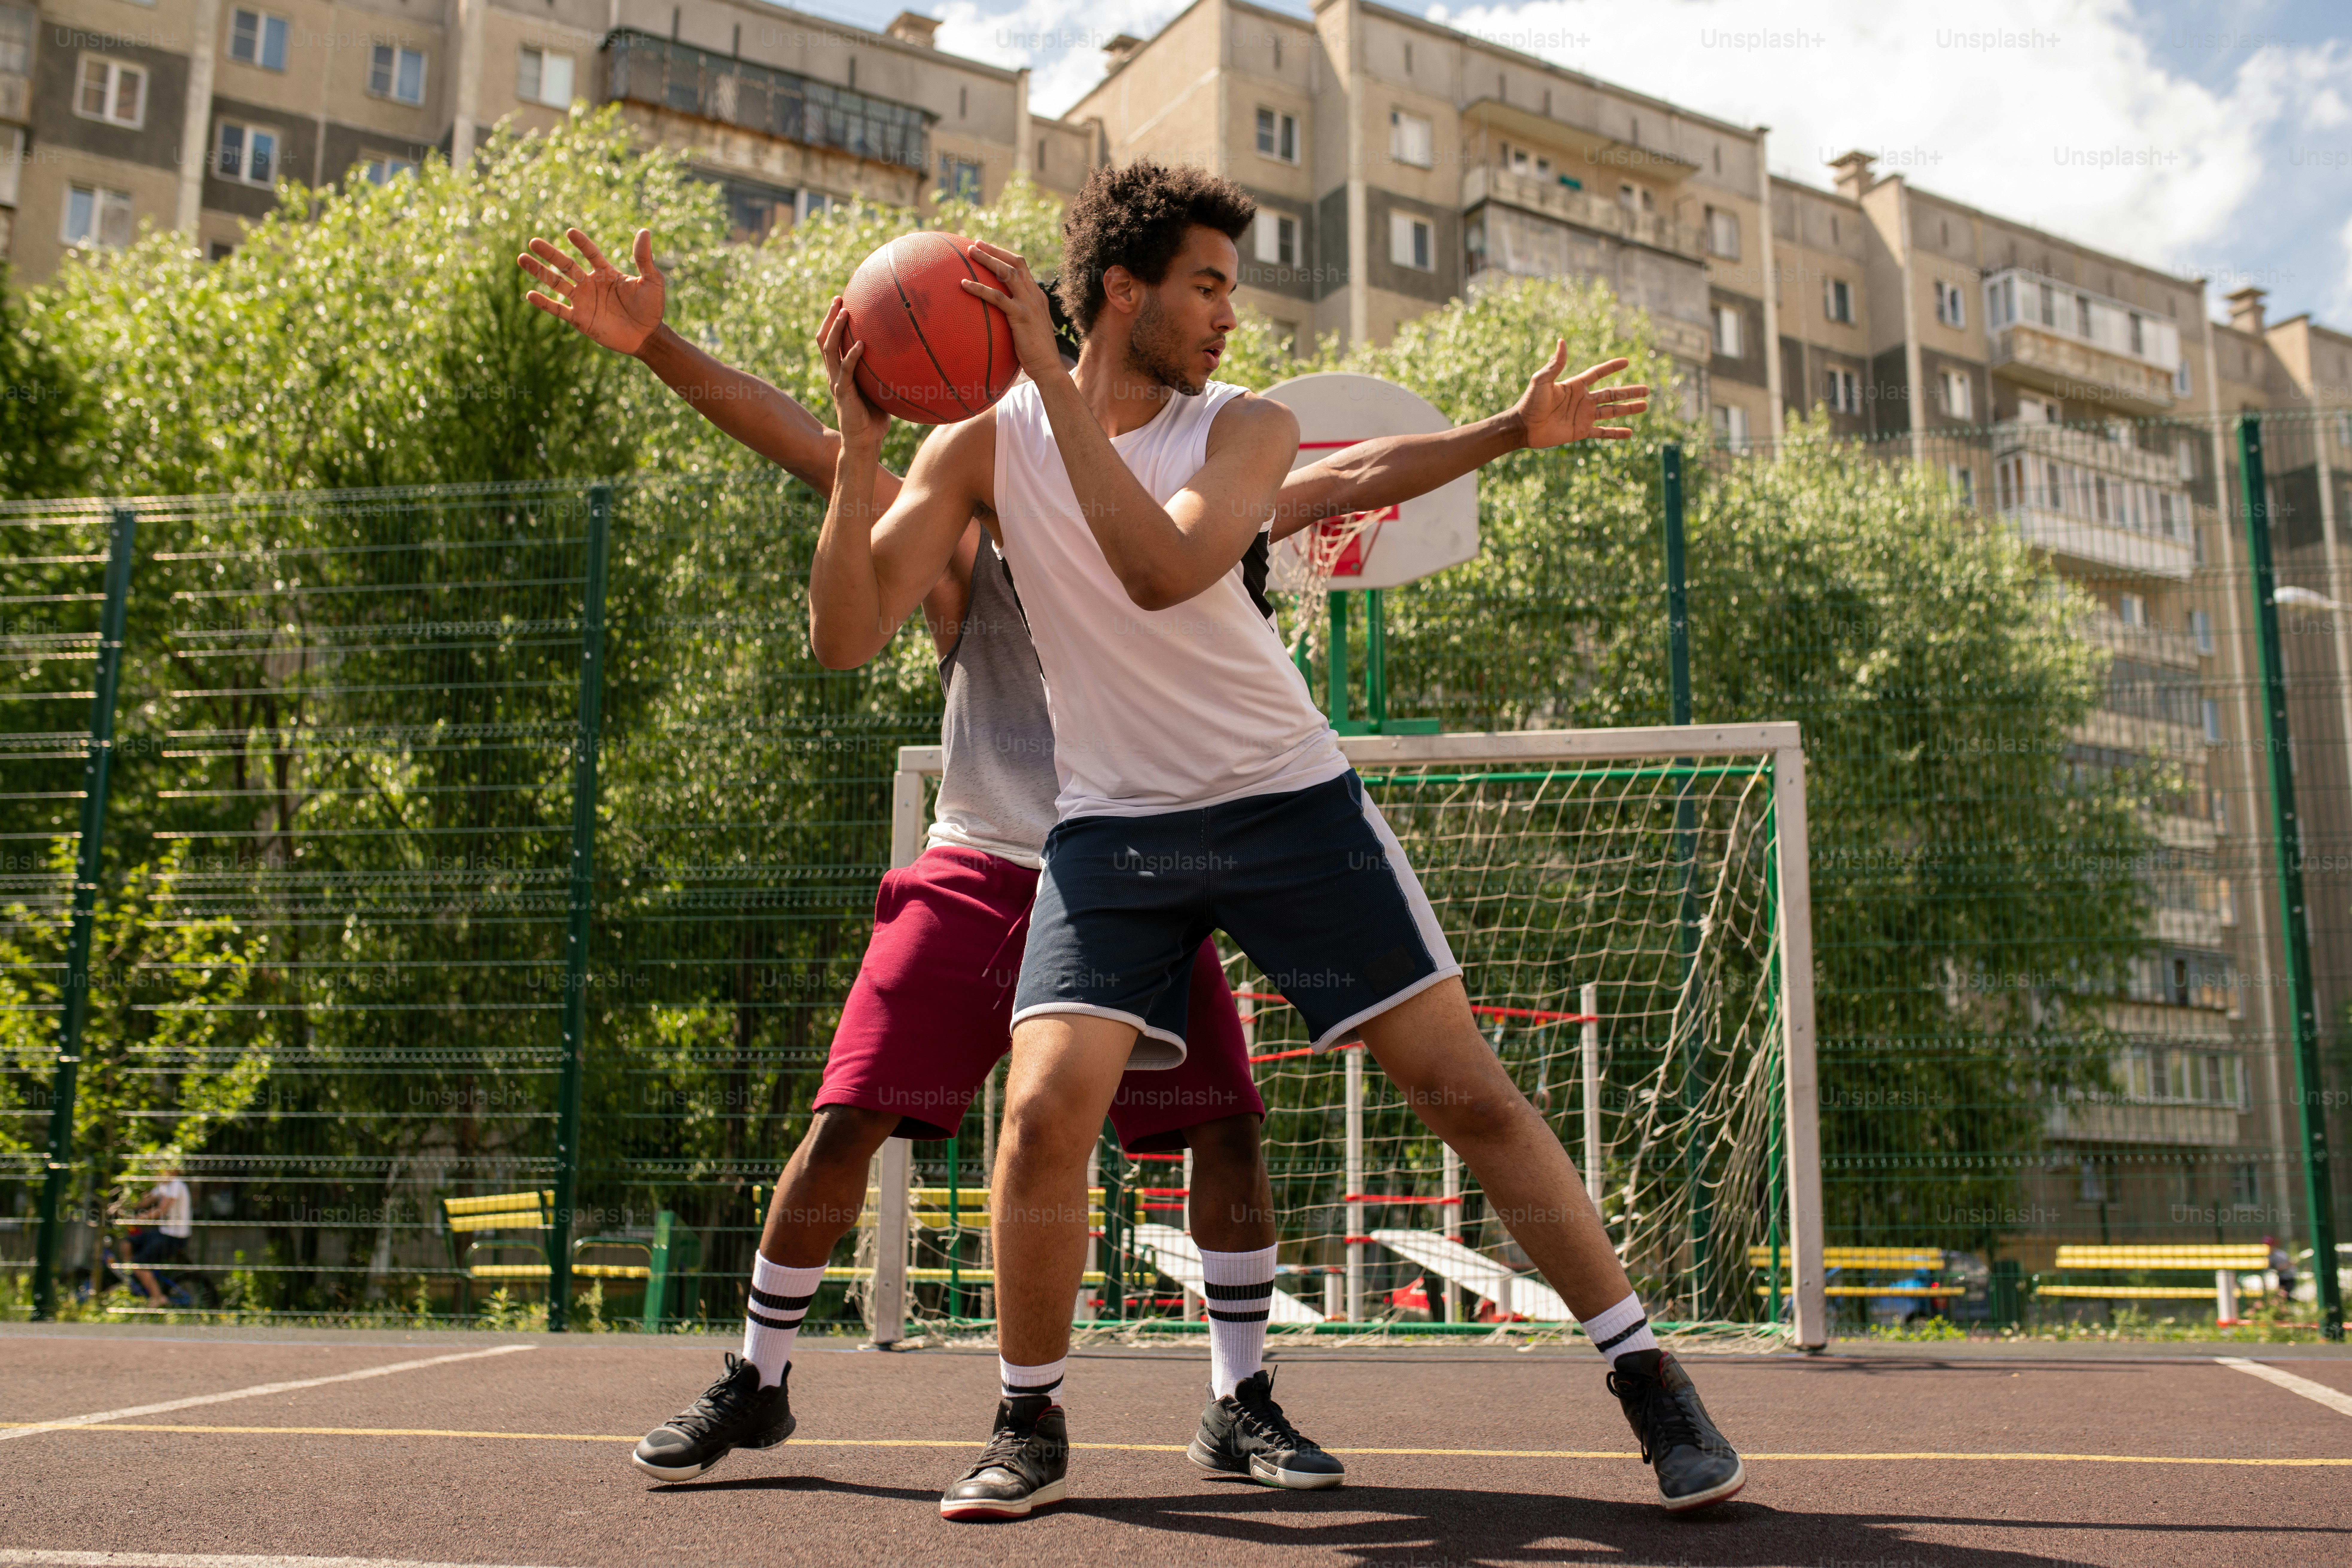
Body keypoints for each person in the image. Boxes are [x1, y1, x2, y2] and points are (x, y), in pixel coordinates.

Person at [516, 224, 1634, 1498]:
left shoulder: (1173, 498)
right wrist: (656, 341)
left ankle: (1239, 1397)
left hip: (1144, 861)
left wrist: (1500, 431)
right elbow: (811, 445)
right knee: (846, 1124)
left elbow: (1350, 471)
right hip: (989, 855)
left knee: (1226, 1128)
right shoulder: (966, 519)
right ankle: (761, 1376)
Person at [819, 158, 1740, 1519]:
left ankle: (1645, 1374)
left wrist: (1042, 386)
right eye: (1205, 285)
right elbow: (846, 637)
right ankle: (1028, 1419)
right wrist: (854, 450)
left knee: (1465, 1092)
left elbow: (1157, 568)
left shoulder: (1239, 430)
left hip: (1278, 797)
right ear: (1117, 292)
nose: (1227, 314)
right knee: (1039, 1116)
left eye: (1230, 289)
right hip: (1116, 824)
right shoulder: (976, 447)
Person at [122, 1163, 193, 1305]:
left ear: (172, 1171)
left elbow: (162, 1210)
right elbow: (146, 1201)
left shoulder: (176, 1185)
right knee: (127, 1243)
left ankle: (158, 1298)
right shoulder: (164, 1185)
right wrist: (124, 1207)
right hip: (164, 1232)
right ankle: (135, 1278)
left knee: (140, 1264)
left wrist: (136, 1219)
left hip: (174, 1237)